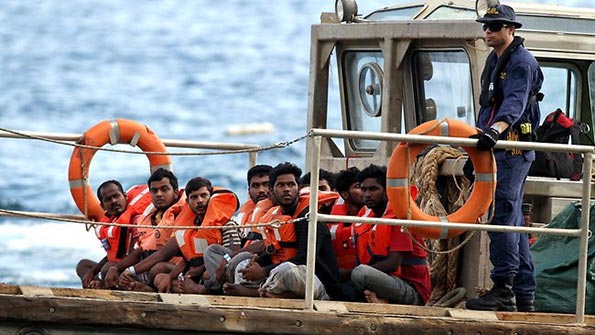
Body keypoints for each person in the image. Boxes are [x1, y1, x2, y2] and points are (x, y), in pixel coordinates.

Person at [465, 4, 543, 312]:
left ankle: (503, 289)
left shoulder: (522, 63)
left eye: (495, 26)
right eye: (486, 25)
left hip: (512, 149)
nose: (488, 31)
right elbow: (488, 106)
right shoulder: (493, 61)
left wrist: (494, 131)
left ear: (511, 29)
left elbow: (514, 103)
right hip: (496, 148)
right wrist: (479, 143)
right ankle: (524, 293)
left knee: (503, 214)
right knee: (511, 219)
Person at [223, 162, 341, 300]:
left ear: (298, 189)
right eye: (281, 185)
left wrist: (264, 271)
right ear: (271, 192)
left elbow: (305, 259)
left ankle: (255, 293)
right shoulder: (276, 217)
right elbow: (275, 250)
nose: (286, 189)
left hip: (319, 285)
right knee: (244, 264)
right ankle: (264, 291)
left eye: (291, 185)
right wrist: (258, 263)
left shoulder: (309, 218)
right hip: (283, 273)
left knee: (285, 270)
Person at [117, 177, 239, 293]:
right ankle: (173, 289)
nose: (200, 201)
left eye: (203, 196)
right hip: (193, 272)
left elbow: (234, 253)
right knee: (160, 277)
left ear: (210, 197)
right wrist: (170, 277)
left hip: (215, 271)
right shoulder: (188, 226)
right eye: (194, 197)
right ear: (188, 201)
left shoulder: (225, 223)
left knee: (205, 276)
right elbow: (186, 258)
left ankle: (199, 290)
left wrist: (195, 273)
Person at [347, 164, 431, 305]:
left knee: (360, 274)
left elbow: (393, 264)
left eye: (373, 189)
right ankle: (379, 299)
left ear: (387, 191)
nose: (367, 194)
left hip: (412, 290)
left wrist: (350, 274)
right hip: (386, 282)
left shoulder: (399, 217)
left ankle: (382, 300)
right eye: (364, 189)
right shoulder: (371, 219)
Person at [103, 168, 186, 290]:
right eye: (154, 190)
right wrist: (117, 269)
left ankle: (147, 289)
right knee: (109, 270)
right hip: (151, 268)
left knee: (158, 270)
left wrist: (131, 271)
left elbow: (164, 254)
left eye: (164, 189)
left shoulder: (183, 215)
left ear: (175, 192)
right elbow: (140, 250)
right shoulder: (147, 217)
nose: (159, 194)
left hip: (178, 269)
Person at [76, 180, 151, 288]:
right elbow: (114, 254)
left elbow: (137, 254)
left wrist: (114, 268)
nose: (114, 201)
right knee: (83, 265)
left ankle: (101, 286)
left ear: (125, 196)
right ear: (103, 206)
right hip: (117, 267)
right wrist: (93, 271)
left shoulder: (137, 220)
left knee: (107, 268)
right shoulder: (110, 223)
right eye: (108, 199)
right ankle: (96, 285)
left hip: (137, 269)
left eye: (116, 196)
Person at [328, 167, 364, 281]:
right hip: (340, 279)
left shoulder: (377, 218)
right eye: (358, 187)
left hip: (366, 277)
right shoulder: (329, 223)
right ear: (345, 195)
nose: (365, 190)